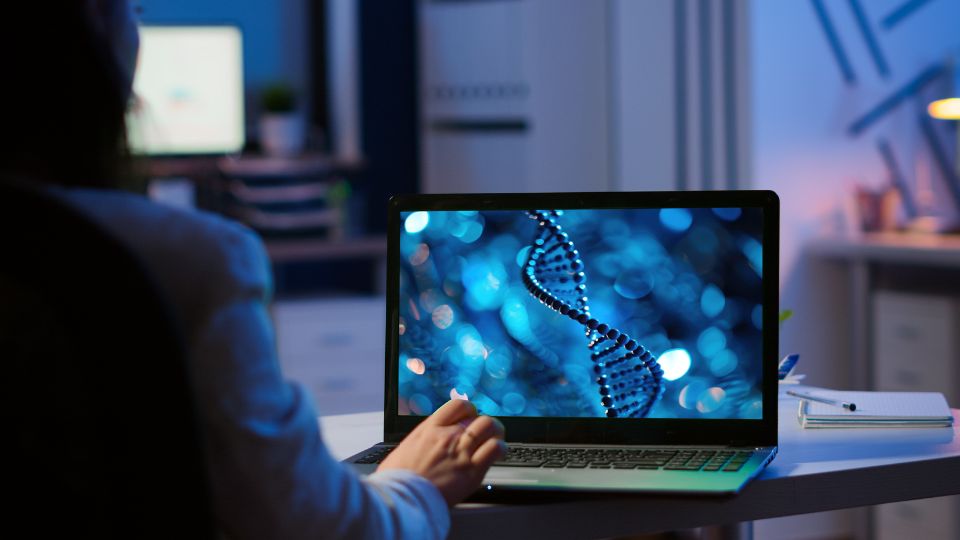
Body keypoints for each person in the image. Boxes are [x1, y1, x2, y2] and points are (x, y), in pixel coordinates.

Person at [0, 2, 506, 538]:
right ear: (95, 28)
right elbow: (306, 526)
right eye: (135, 8)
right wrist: (412, 484)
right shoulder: (188, 262)